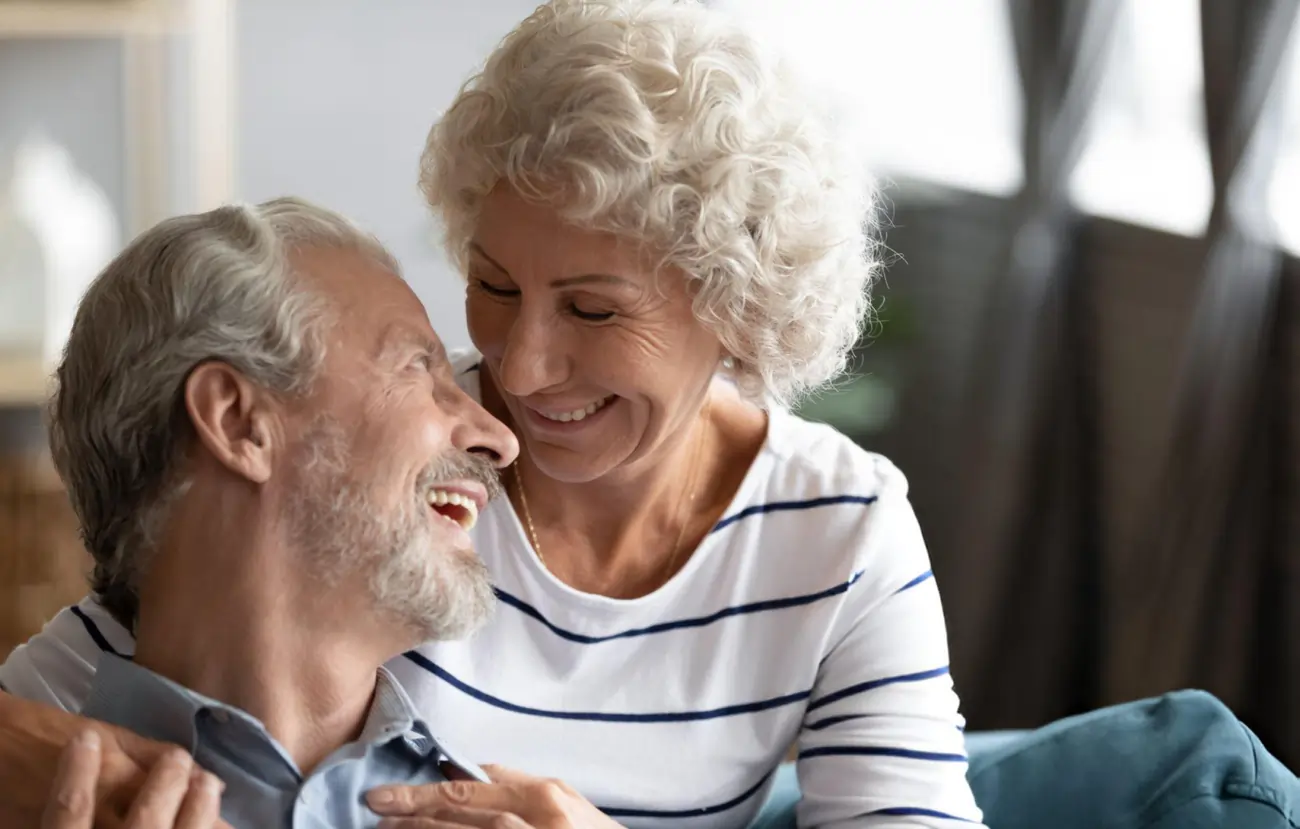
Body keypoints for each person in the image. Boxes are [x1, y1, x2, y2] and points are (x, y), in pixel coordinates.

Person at [3, 1, 980, 826]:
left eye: (592, 310)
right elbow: (175, 602)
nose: (517, 371)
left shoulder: (840, 530)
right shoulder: (379, 470)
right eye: (492, 284)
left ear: (737, 306)